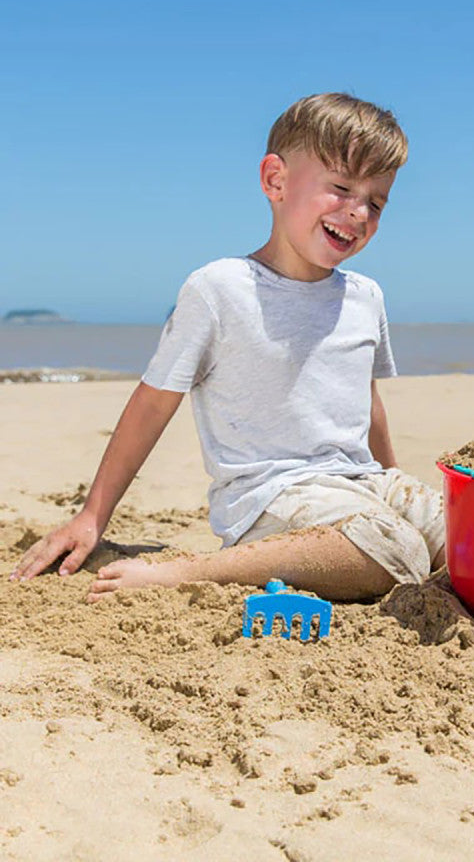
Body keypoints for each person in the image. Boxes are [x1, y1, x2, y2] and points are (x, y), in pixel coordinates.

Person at [10, 93, 444, 602]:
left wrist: (393, 485)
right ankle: (192, 571)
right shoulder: (219, 289)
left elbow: (367, 404)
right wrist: (91, 516)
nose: (358, 212)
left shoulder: (366, 297)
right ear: (275, 181)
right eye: (341, 188)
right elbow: (153, 403)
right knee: (397, 551)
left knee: (469, 533)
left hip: (364, 484)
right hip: (273, 501)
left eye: (376, 201)